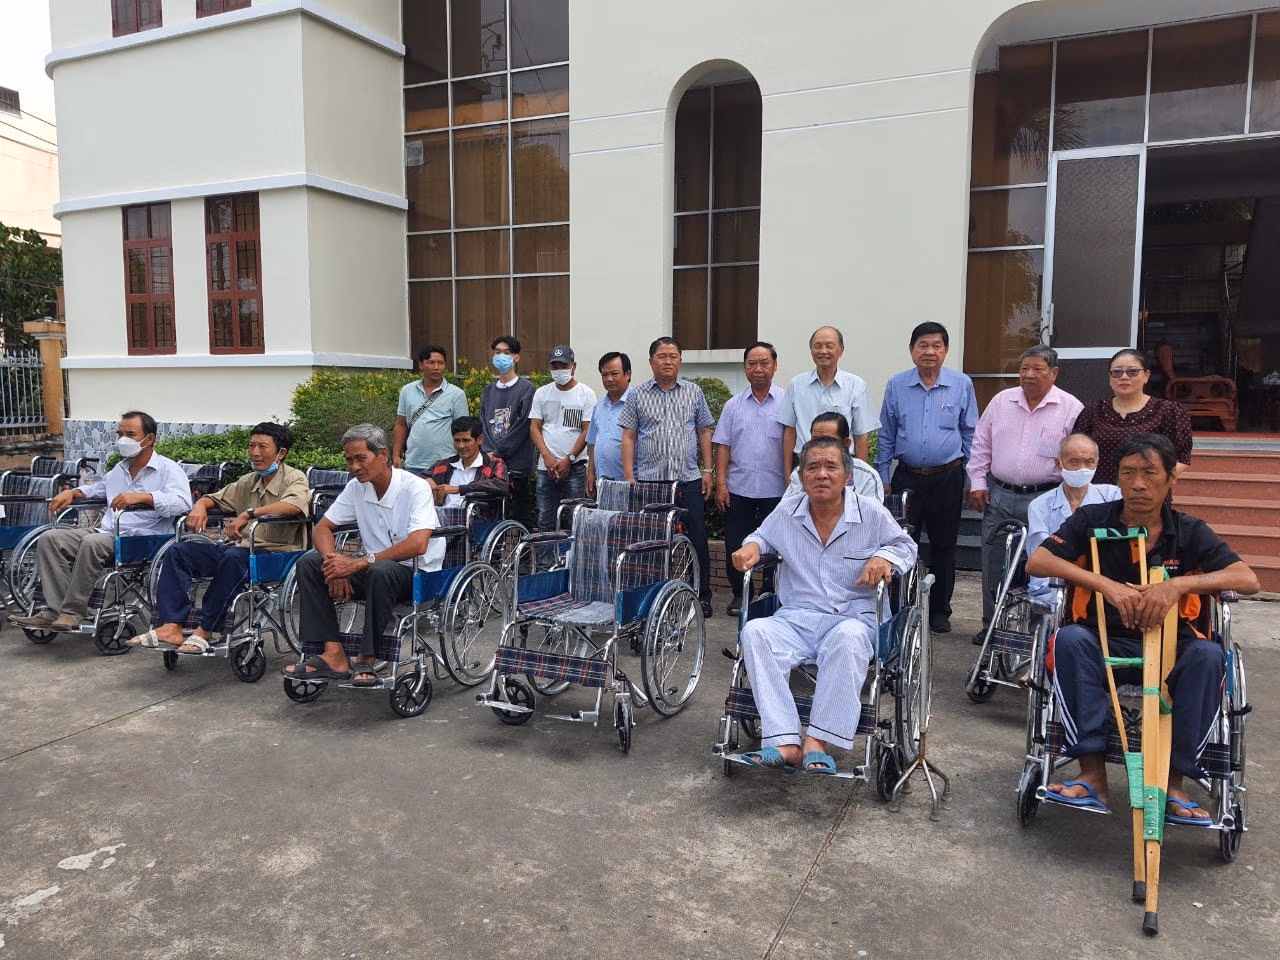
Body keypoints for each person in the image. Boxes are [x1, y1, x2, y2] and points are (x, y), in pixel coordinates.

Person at [1025, 433, 1259, 819]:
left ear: (1171, 479)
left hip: (1172, 647)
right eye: (1128, 473)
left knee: (1209, 655)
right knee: (1068, 639)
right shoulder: (1092, 520)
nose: (1137, 484)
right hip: (1105, 639)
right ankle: (1092, 776)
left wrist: (1177, 586)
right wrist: (1106, 585)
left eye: (1149, 473)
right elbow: (1039, 561)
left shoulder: (1189, 531)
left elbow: (1247, 579)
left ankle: (1172, 786)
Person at [731, 436, 918, 774]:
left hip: (853, 618)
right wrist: (752, 547)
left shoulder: (870, 512)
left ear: (848, 474)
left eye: (831, 466)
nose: (821, 474)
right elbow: (762, 536)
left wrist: (884, 557)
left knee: (848, 638)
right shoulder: (788, 511)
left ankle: (817, 742)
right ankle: (785, 742)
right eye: (812, 467)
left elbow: (905, 547)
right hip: (797, 618)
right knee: (755, 631)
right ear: (801, 476)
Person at [284, 424, 445, 686]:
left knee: (381, 570)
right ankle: (333, 654)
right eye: (349, 460)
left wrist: (356, 564)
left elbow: (418, 544)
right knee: (309, 563)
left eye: (361, 458)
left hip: (416, 573)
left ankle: (366, 658)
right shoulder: (356, 487)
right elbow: (323, 528)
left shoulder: (415, 487)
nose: (354, 467)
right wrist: (334, 565)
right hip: (371, 569)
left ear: (382, 455)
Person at [9, 411, 192, 633]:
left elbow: (183, 503)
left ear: (149, 438)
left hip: (144, 538)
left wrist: (145, 497)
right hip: (108, 532)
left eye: (130, 434)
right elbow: (99, 488)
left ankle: (72, 612)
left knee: (92, 542)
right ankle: (54, 611)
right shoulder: (120, 469)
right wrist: (74, 492)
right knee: (50, 538)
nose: (123, 439)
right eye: (120, 434)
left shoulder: (168, 469)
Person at [140, 422, 311, 652]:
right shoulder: (248, 481)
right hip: (240, 549)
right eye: (251, 446)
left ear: (280, 453)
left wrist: (249, 514)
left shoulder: (294, 478)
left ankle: (205, 629)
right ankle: (170, 624)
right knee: (179, 551)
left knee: (234, 558)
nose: (255, 452)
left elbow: (293, 506)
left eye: (262, 446)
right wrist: (200, 505)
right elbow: (215, 498)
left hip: (277, 553)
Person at [967, 345, 1083, 642]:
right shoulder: (1002, 401)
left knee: (1044, 564)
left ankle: (1038, 632)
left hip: (1047, 498)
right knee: (994, 562)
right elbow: (981, 443)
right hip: (1001, 496)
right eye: (1024, 369)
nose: (1029, 375)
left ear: (1054, 373)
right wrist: (978, 482)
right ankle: (991, 626)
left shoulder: (1071, 408)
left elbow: (1077, 455)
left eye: (1037, 369)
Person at [876, 322, 978, 634]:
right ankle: (899, 606)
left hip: (947, 477)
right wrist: (883, 475)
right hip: (907, 477)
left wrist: (972, 478)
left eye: (936, 345)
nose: (929, 351)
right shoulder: (897, 385)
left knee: (944, 545)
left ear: (945, 350)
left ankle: (939, 610)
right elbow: (886, 434)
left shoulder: (961, 384)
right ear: (912, 350)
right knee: (899, 542)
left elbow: (970, 434)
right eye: (923, 345)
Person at [620, 336, 716, 617]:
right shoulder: (637, 395)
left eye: (673, 356)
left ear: (680, 361)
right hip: (650, 482)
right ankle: (652, 596)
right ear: (651, 361)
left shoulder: (693, 392)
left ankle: (701, 595)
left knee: (697, 538)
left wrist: (708, 471)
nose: (668, 361)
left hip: (688, 479)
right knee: (651, 542)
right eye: (662, 356)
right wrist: (629, 476)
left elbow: (704, 431)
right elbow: (629, 436)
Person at [713, 342, 787, 616]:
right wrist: (721, 484)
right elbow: (723, 446)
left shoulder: (787, 402)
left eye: (764, 363)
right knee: (735, 542)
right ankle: (740, 593)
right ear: (745, 368)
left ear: (775, 366)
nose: (758, 368)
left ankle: (769, 591)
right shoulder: (733, 406)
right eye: (752, 363)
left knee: (776, 543)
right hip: (739, 488)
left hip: (777, 489)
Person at [1025, 433, 1121, 608]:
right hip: (1055, 589)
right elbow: (1041, 563)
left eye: (1089, 462)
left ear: (1097, 463)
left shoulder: (1113, 496)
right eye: (1074, 462)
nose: (1082, 469)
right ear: (1058, 464)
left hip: (1106, 587)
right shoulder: (1040, 506)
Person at [1072, 348, 1193, 486]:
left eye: (1132, 372)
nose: (1124, 377)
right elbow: (1076, 449)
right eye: (1117, 372)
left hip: (1148, 492)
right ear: (1110, 377)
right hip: (1100, 492)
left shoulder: (1168, 411)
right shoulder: (1093, 412)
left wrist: (1151, 482)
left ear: (1146, 375)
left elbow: (1182, 458)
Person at [778, 326, 878, 480]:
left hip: (841, 466)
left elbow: (861, 436)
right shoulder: (796, 385)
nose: (823, 351)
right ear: (811, 350)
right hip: (805, 465)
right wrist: (787, 477)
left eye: (829, 346)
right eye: (818, 346)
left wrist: (858, 479)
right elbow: (789, 432)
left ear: (841, 350)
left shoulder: (856, 385)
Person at [530, 345, 595, 565]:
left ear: (574, 366)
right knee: (545, 521)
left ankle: (574, 566)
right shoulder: (542, 392)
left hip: (575, 468)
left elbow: (587, 430)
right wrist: (547, 456)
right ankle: (546, 567)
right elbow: (535, 427)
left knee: (577, 519)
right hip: (546, 468)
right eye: (555, 366)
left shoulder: (586, 394)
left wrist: (569, 459)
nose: (559, 370)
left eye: (564, 365)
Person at [480, 336, 536, 527]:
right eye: (497, 352)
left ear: (516, 358)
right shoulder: (488, 391)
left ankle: (524, 547)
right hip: (491, 464)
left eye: (506, 353)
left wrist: (498, 452)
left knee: (520, 516)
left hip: (517, 465)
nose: (501, 356)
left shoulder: (527, 389)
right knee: (490, 516)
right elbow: (483, 423)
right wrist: (489, 452)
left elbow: (523, 425)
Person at [392, 344, 469, 474]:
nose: (436, 367)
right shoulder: (407, 391)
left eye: (441, 363)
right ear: (421, 365)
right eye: (431, 362)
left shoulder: (456, 394)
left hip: (445, 464)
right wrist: (395, 455)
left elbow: (463, 430)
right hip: (413, 463)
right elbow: (401, 424)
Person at [783, 413, 882, 501]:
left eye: (828, 441)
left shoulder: (867, 477)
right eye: (815, 440)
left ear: (846, 444)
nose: (820, 446)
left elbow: (873, 514)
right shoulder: (801, 473)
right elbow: (786, 511)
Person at [425, 416, 510, 509]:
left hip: (478, 516)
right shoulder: (444, 465)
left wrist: (459, 489)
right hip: (442, 516)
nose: (461, 446)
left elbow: (502, 486)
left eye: (466, 440)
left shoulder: (493, 464)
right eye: (457, 440)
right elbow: (419, 478)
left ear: (480, 439)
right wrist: (434, 488)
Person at [585, 351, 632, 496]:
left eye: (614, 374)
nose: (609, 379)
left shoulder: (637, 403)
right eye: (604, 375)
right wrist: (591, 473)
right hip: (602, 484)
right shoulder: (599, 405)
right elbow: (593, 442)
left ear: (627, 374)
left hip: (629, 484)